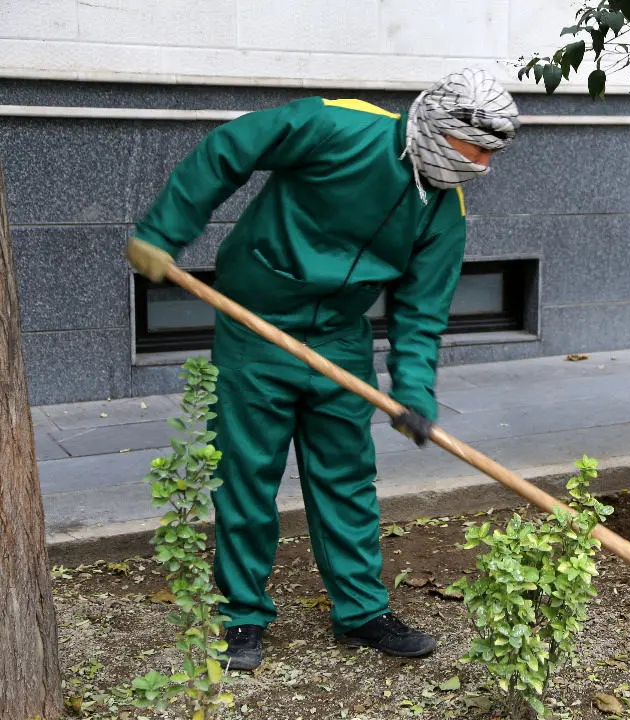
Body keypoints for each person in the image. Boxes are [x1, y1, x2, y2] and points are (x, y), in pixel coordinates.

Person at [124, 68, 520, 671]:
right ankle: (241, 615)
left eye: (490, 155)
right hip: (256, 325)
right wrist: (164, 230)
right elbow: (232, 146)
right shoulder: (340, 126)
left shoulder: (444, 209)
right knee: (247, 474)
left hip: (339, 340)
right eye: (474, 148)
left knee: (346, 477)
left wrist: (414, 392)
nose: (480, 165)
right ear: (439, 126)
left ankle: (362, 611)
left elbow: (422, 309)